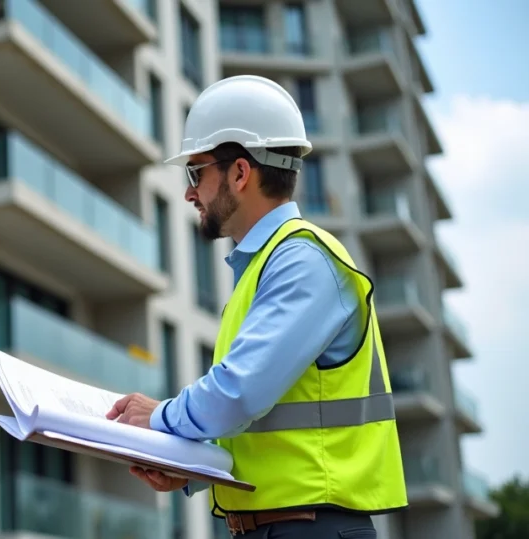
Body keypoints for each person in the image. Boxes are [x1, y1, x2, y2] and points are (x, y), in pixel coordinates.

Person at [105, 75, 408, 537]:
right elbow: (258, 422)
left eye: (196, 173)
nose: (190, 193)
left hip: (311, 527)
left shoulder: (304, 260)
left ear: (240, 173)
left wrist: (160, 418)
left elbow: (239, 393)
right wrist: (186, 465)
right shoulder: (267, 268)